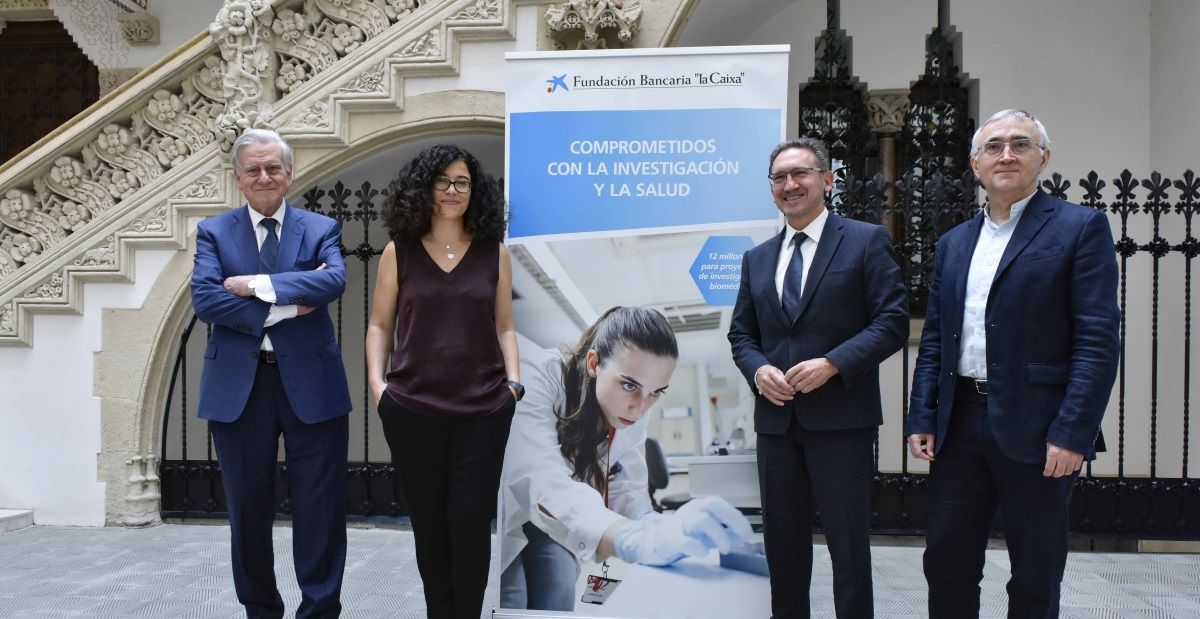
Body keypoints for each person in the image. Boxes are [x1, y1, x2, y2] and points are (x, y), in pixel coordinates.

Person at [906, 109, 1120, 618]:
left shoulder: (1079, 227)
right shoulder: (954, 243)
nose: (1006, 154)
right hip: (959, 427)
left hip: (1041, 427)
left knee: (1034, 571)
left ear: (1042, 157)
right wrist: (923, 414)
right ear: (975, 163)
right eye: (994, 146)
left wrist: (1072, 431)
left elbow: (1097, 340)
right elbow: (936, 338)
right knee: (947, 562)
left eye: (1020, 144)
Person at [728, 137, 908, 619]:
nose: (790, 185)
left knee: (848, 552)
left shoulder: (866, 240)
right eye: (780, 178)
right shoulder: (757, 258)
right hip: (777, 424)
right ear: (772, 191)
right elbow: (741, 335)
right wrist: (759, 369)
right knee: (784, 552)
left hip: (842, 423)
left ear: (827, 180)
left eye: (801, 173)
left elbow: (891, 322)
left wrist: (832, 363)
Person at [191, 128, 352, 619]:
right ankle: (260, 610)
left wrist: (255, 285)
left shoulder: (320, 228)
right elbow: (206, 299)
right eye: (254, 169)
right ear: (238, 178)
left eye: (273, 168)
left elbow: (333, 281)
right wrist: (286, 306)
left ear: (289, 173)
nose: (265, 177)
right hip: (241, 388)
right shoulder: (214, 232)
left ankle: (319, 610)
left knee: (320, 510)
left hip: (313, 385)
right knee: (247, 510)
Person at [500, 306, 754, 611]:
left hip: (562, 511)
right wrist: (633, 539)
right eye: (629, 385)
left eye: (656, 392)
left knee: (557, 592)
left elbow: (627, 486)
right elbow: (539, 480)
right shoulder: (539, 373)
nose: (640, 406)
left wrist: (654, 525)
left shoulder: (633, 410)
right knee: (510, 599)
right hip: (504, 504)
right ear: (594, 363)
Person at [364, 144, 520, 619]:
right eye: (444, 182)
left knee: (470, 524)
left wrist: (512, 387)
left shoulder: (495, 253)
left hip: (482, 413)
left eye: (463, 183)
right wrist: (379, 388)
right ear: (424, 188)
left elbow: (505, 327)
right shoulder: (399, 252)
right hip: (413, 411)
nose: (453, 192)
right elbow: (379, 327)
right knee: (430, 528)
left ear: (476, 192)